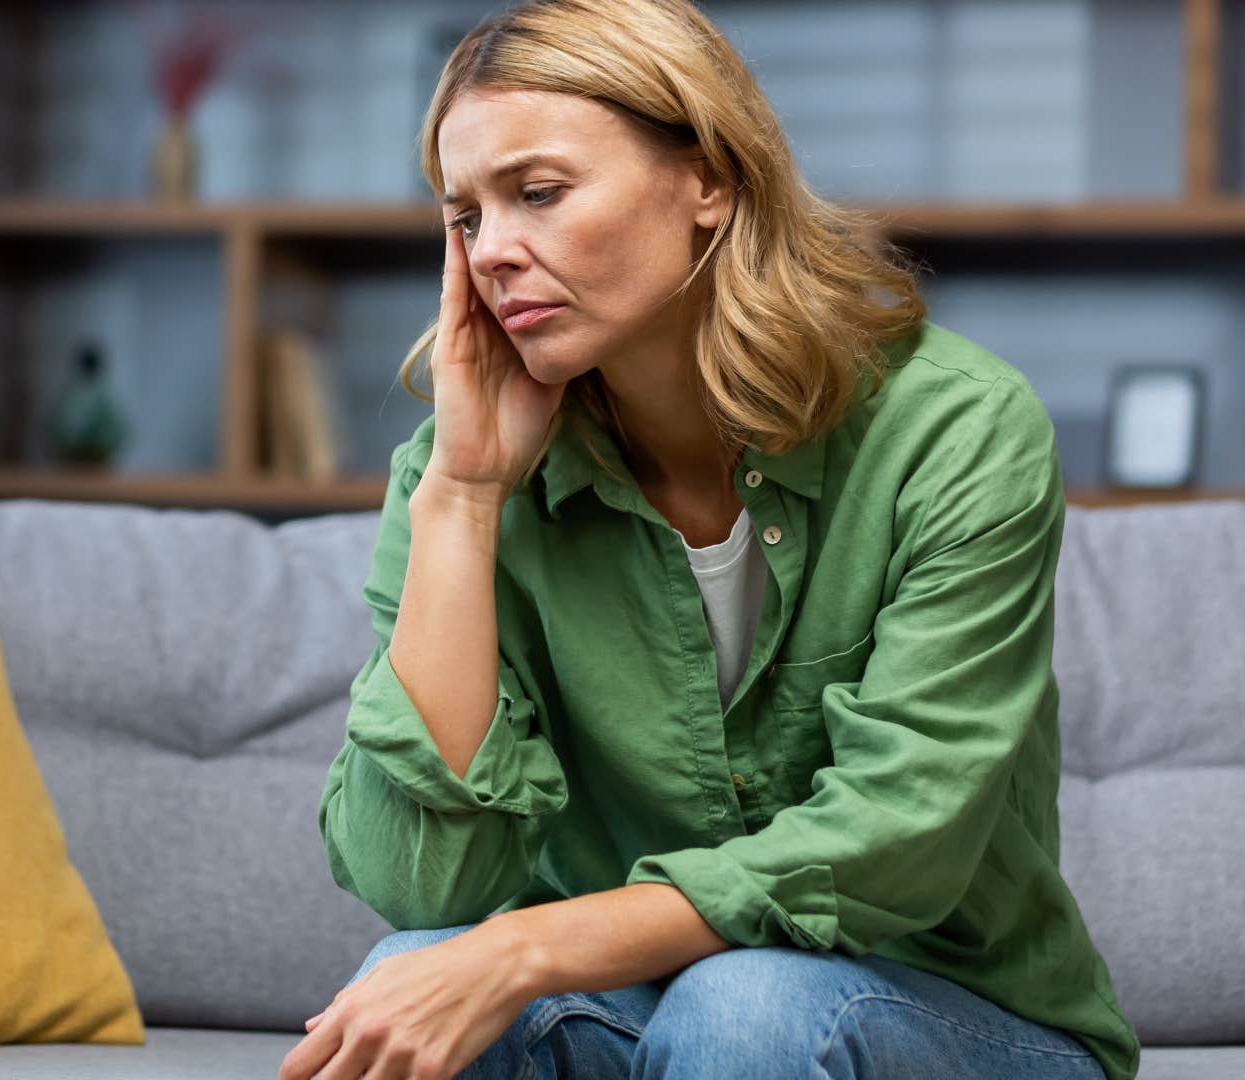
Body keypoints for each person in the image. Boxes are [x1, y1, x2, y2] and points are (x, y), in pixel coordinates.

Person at [276, 1, 1141, 1078]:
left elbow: (894, 844)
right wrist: (461, 495)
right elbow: (419, 879)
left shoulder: (954, 430)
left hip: (955, 1015)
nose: (493, 251)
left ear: (710, 180)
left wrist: (528, 945)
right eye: (463, 217)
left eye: (538, 193)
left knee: (744, 1010)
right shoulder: (464, 467)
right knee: (407, 972)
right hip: (657, 1015)